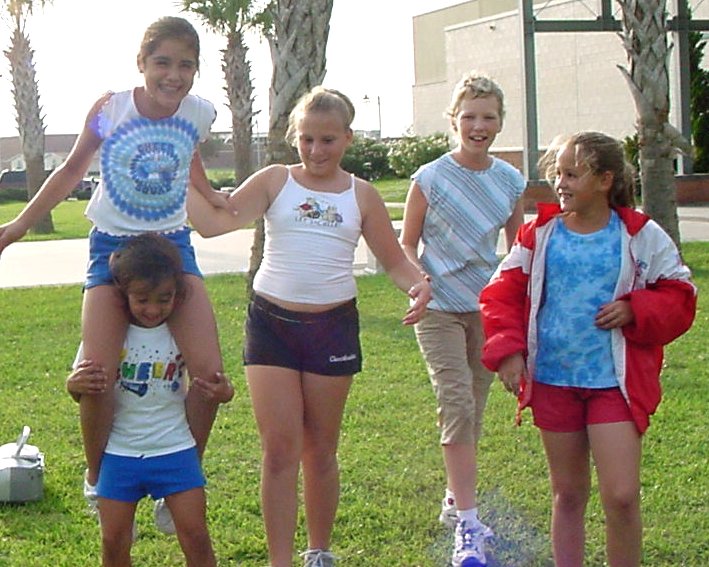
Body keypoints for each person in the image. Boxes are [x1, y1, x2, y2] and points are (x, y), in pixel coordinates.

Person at [187, 86, 432, 567]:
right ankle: (280, 560)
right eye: (307, 140)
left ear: (347, 138)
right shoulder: (276, 180)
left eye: (327, 140)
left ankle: (319, 551)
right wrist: (177, 176)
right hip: (271, 326)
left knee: (320, 450)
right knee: (279, 450)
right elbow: (216, 223)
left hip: (332, 329)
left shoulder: (361, 194)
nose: (316, 151)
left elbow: (393, 260)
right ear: (294, 138)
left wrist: (418, 286)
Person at [0, 16, 229, 501]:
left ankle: (184, 475)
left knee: (210, 376)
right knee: (95, 376)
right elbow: (72, 169)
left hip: (172, 248)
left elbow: (189, 155)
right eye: (162, 62)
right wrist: (18, 226)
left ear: (196, 70)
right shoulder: (112, 109)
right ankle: (97, 476)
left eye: (186, 65)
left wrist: (210, 194)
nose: (173, 75)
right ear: (141, 62)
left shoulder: (199, 113)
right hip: (112, 248)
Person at [479, 131, 697, 566]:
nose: (560, 184)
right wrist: (508, 351)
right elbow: (501, 293)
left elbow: (680, 294)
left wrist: (636, 308)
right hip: (554, 380)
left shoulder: (639, 234)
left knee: (621, 495)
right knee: (568, 494)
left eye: (572, 174)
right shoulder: (538, 234)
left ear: (605, 180)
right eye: (557, 173)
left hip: (614, 383)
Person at [399, 71, 525, 567]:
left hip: (486, 308)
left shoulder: (509, 181)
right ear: (454, 120)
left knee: (473, 404)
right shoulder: (429, 177)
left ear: (500, 122)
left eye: (488, 117)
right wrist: (418, 281)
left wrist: (515, 308)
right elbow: (406, 243)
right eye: (469, 116)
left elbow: (518, 250)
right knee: (455, 402)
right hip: (437, 308)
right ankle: (469, 525)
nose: (479, 126)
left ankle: (456, 496)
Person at [70, 233, 232, 566]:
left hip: (175, 448)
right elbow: (81, 389)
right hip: (119, 452)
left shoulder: (181, 333)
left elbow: (220, 389)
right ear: (123, 293)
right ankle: (95, 483)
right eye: (142, 299)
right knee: (114, 541)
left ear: (177, 293)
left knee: (196, 536)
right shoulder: (108, 335)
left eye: (164, 298)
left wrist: (224, 392)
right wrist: (72, 383)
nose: (153, 309)